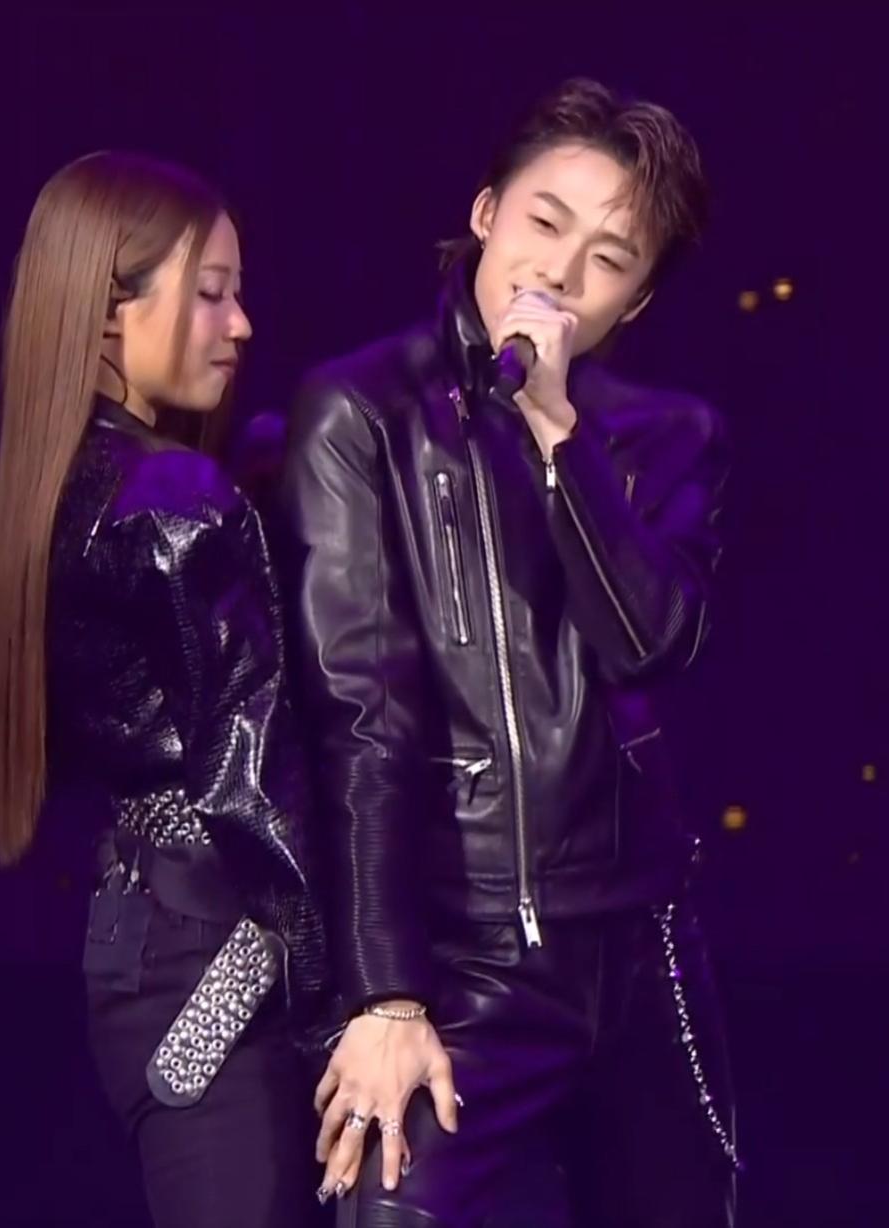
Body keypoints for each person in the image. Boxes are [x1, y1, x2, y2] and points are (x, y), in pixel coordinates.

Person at [274, 79, 739, 1225]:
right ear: (486, 212)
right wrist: (385, 992)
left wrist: (555, 431)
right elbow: (360, 717)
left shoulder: (668, 436)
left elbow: (650, 641)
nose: (562, 272)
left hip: (643, 947)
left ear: (633, 302)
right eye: (544, 221)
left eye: (609, 258)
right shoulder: (360, 412)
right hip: (462, 956)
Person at [0, 150, 328, 1228]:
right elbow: (251, 780)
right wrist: (360, 994)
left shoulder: (11, 500)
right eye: (210, 293)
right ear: (108, 313)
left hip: (136, 941)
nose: (242, 324)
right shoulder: (174, 499)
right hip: (227, 944)